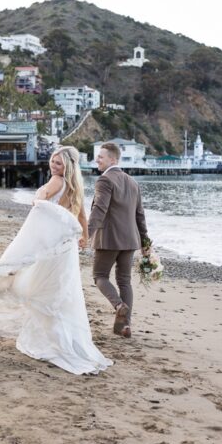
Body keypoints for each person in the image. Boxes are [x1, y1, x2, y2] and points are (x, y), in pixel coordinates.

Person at [0, 146, 111, 375]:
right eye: (52, 162)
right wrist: (85, 237)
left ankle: (54, 343)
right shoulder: (75, 187)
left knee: (41, 290)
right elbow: (82, 215)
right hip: (66, 250)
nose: (53, 166)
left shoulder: (57, 180)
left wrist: (38, 202)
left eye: (58, 163)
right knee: (61, 295)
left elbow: (42, 198)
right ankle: (64, 343)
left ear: (67, 166)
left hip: (52, 248)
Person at [87, 142, 152, 339]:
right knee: (125, 281)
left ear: (113, 159)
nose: (97, 159)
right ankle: (125, 326)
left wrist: (86, 234)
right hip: (130, 240)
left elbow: (100, 210)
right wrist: (145, 242)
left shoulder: (104, 180)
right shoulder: (132, 182)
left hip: (108, 239)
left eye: (101, 156)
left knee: (100, 276)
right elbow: (140, 215)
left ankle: (119, 305)